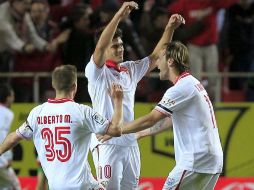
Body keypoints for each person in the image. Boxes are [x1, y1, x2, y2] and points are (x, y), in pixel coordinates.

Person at [85, 1, 185, 189]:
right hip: (106, 144)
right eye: (115, 46)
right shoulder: (96, 72)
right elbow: (99, 48)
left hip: (130, 143)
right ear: (105, 48)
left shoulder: (129, 69)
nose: (120, 48)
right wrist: (119, 16)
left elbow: (156, 57)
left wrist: (170, 28)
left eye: (121, 44)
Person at [118, 41, 223, 189]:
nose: (158, 63)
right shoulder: (192, 83)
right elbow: (169, 120)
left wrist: (117, 130)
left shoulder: (180, 88)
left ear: (170, 61)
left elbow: (151, 118)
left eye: (160, 58)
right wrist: (141, 133)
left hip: (195, 159)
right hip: (211, 160)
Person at [0, 65, 124, 190]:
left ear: (54, 86)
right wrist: (118, 101)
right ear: (75, 86)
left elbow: (12, 138)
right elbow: (116, 130)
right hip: (83, 187)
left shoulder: (37, 113)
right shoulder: (82, 112)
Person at [0, 83, 21, 190]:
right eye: (12, 96)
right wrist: (7, 157)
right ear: (7, 98)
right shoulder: (7, 114)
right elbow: (3, 135)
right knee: (15, 186)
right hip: (1, 160)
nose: (13, 98)